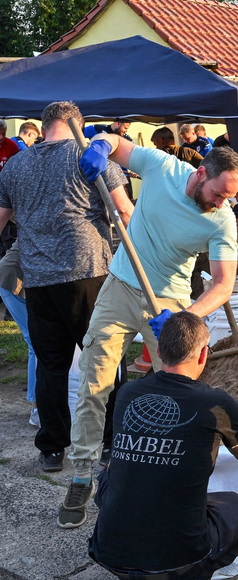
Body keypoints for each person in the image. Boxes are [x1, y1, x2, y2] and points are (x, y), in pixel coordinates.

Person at [62, 138, 238, 529]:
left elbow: (224, 284)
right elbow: (115, 144)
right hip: (119, 288)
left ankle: (170, 476)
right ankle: (81, 475)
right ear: (201, 174)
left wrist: (186, 318)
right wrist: (99, 145)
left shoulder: (222, 220)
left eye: (228, 198)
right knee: (95, 382)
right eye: (217, 194)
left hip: (172, 304)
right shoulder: (162, 167)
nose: (220, 203)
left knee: (181, 396)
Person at [0, 102, 132, 474]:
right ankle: (110, 441)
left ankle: (52, 447)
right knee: (102, 360)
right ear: (79, 124)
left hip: (39, 278)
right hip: (88, 271)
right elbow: (125, 212)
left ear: (44, 127)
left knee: (51, 365)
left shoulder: (16, 164)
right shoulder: (90, 155)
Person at [89, 311, 238, 579]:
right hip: (179, 561)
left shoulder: (127, 393)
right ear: (204, 355)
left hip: (108, 552)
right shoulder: (216, 403)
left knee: (109, 477)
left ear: (158, 349)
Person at [0, 242, 38, 426]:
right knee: (36, 343)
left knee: (40, 342)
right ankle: (37, 408)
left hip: (20, 281)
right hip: (11, 281)